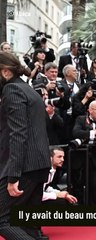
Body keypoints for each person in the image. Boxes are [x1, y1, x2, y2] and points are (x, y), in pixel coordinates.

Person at [0, 52, 51, 239]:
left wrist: (13, 176)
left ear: (5, 72)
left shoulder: (12, 90)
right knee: (27, 223)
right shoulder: (29, 89)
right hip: (39, 164)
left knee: (2, 220)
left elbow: (18, 134)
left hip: (24, 167)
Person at [71, 100, 96, 205]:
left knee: (94, 186)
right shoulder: (81, 119)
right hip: (80, 159)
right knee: (78, 186)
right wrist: (94, 133)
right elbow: (76, 133)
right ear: (90, 110)